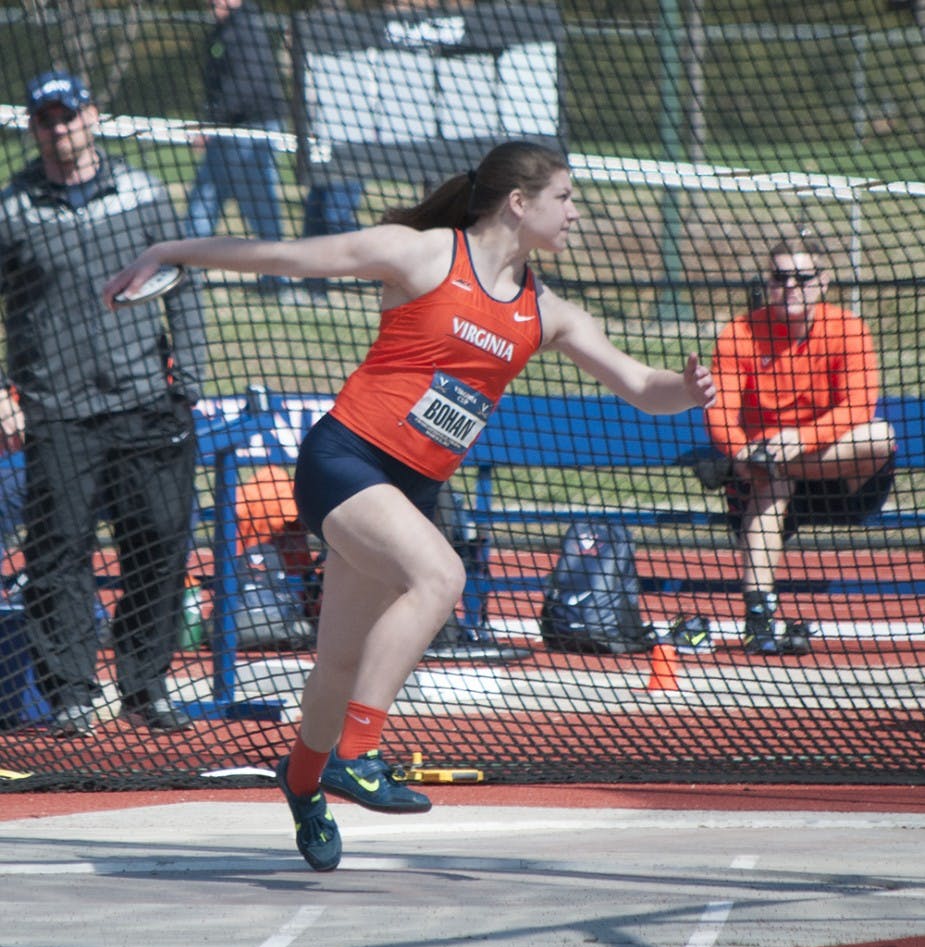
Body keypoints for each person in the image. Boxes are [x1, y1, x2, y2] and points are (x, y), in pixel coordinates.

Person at [104, 140, 716, 871]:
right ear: (518, 204)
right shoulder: (422, 256)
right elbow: (284, 257)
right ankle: (356, 754)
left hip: (410, 489)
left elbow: (640, 386)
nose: (574, 212)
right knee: (440, 578)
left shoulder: (545, 309)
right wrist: (172, 247)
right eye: (564, 197)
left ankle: (303, 783)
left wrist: (688, 390)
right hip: (344, 462)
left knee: (336, 667)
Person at [0, 71, 207, 737]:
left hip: (148, 403)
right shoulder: (13, 207)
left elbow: (184, 285)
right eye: (46, 118)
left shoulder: (144, 195)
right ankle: (70, 697)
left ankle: (146, 689)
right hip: (54, 408)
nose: (60, 128)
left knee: (158, 545)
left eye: (69, 114)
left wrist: (191, 379)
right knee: (58, 555)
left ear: (92, 115)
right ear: (33, 126)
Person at [705, 234, 896, 656]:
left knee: (880, 436)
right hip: (764, 482)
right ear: (767, 282)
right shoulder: (739, 333)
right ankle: (759, 620)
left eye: (802, 277)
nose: (790, 286)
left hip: (839, 483)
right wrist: (739, 451)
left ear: (823, 281)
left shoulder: (848, 329)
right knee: (772, 483)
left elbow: (859, 406)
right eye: (779, 277)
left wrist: (796, 441)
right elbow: (719, 412)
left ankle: (773, 466)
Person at [184, 0, 297, 302]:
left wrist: (211, 123)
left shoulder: (246, 27)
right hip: (227, 131)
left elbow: (246, 87)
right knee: (203, 201)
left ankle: (277, 278)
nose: (213, 3)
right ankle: (187, 275)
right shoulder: (223, 30)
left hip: (252, 132)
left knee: (259, 206)